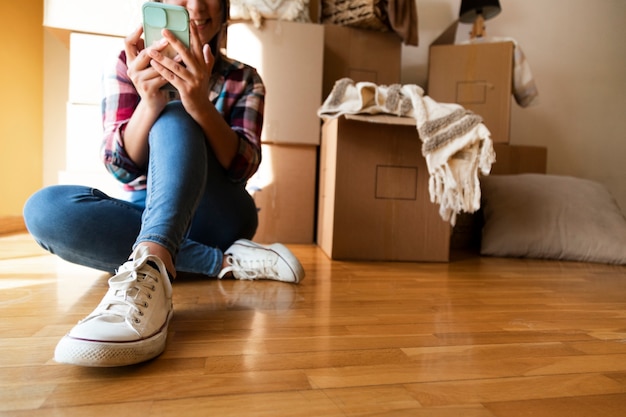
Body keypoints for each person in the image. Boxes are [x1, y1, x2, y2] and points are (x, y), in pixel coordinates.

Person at [23, 0, 304, 367]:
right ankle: (221, 262)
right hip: (147, 211)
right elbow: (120, 168)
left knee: (178, 111)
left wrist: (198, 104)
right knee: (45, 211)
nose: (196, 6)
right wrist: (150, 104)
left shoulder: (244, 78)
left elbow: (243, 168)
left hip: (217, 213)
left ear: (223, 11)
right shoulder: (128, 66)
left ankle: (153, 260)